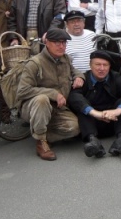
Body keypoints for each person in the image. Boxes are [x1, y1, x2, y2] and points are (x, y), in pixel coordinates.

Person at [15, 27, 85, 161]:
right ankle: (41, 141)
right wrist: (52, 93)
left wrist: (79, 77)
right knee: (42, 99)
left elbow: (75, 71)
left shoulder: (66, 59)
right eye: (57, 42)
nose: (61, 46)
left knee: (75, 128)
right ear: (47, 43)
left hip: (58, 108)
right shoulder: (34, 63)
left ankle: (44, 133)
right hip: (34, 107)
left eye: (64, 42)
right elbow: (22, 91)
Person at [68, 50, 121, 158]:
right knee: (82, 107)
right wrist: (96, 114)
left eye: (105, 65)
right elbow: (74, 97)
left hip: (113, 121)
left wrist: (117, 111)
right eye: (98, 64)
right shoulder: (83, 78)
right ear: (90, 65)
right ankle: (93, 142)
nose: (102, 68)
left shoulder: (115, 77)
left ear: (109, 67)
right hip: (92, 123)